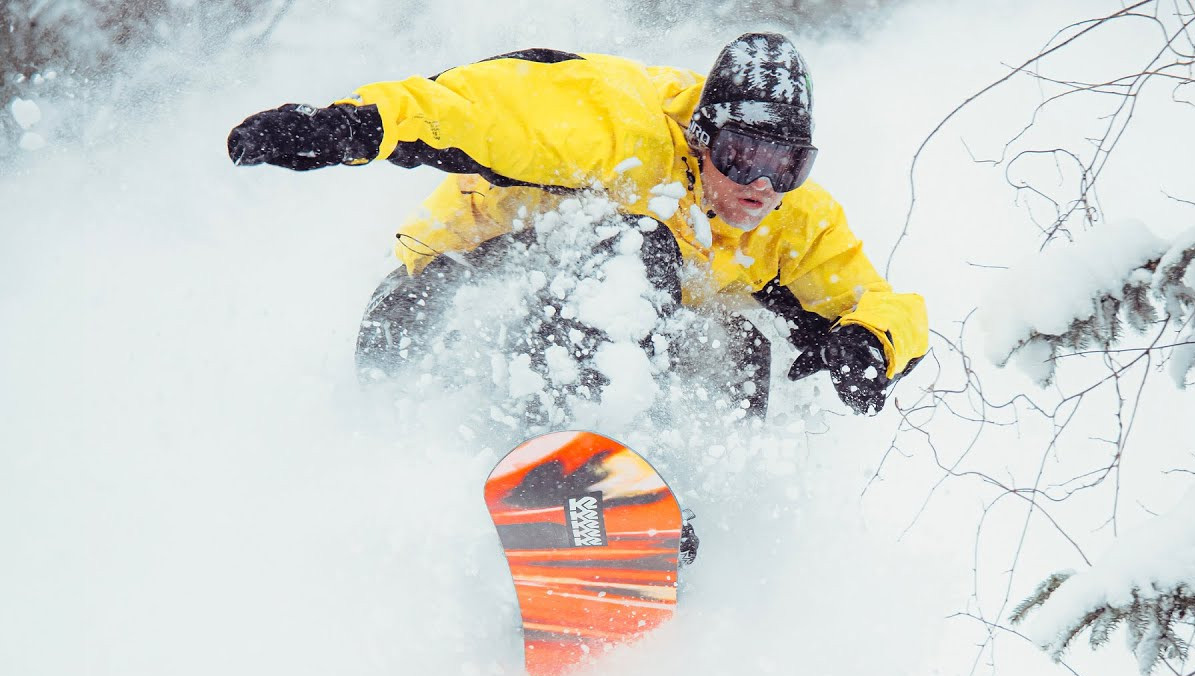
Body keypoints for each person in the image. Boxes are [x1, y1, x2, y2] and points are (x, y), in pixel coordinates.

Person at [227, 32, 929, 419]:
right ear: (701, 134)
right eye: (741, 155)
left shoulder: (791, 221)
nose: (760, 185)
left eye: (788, 165)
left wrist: (874, 343)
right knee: (639, 242)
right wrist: (354, 125)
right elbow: (480, 106)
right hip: (430, 318)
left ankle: (662, 503)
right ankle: (577, 457)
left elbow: (880, 300)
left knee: (738, 342)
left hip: (568, 356)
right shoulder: (620, 128)